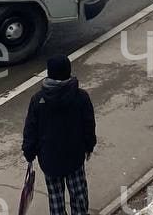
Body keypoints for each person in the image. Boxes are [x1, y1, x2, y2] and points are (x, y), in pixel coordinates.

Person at [23, 55, 96, 215]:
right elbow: (88, 124)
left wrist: (29, 152)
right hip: (74, 156)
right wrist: (89, 145)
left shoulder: (38, 100)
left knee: (55, 197)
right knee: (79, 194)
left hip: (49, 159)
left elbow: (31, 129)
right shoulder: (81, 97)